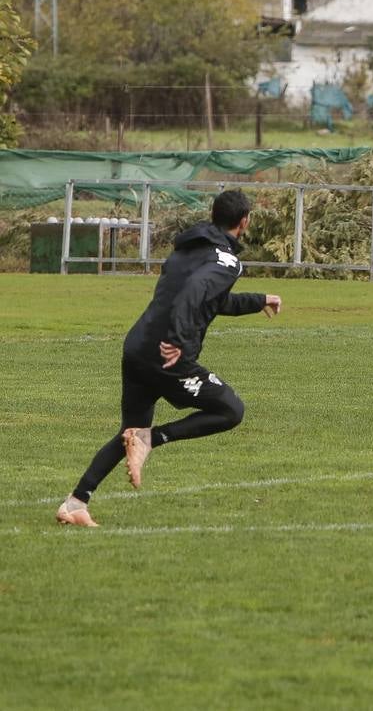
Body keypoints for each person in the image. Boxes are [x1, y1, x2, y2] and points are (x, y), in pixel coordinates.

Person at [56, 189, 281, 528]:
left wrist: (259, 299)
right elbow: (193, 293)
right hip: (167, 359)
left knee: (128, 431)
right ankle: (151, 439)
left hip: (137, 348)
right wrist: (175, 340)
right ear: (244, 222)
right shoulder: (227, 261)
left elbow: (211, 301)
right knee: (230, 410)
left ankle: (75, 502)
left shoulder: (189, 248)